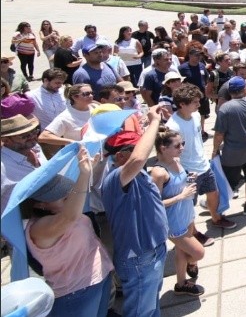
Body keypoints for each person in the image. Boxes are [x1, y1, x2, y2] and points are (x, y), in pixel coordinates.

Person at [21, 147, 114, 317]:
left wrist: (89, 170)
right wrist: (84, 174)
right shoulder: (40, 228)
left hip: (98, 280)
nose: (70, 196)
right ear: (40, 204)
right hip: (76, 293)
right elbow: (71, 217)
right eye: (64, 196)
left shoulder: (62, 211)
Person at [100, 106, 168, 317]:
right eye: (137, 146)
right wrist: (154, 122)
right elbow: (137, 159)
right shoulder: (115, 178)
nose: (145, 150)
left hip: (154, 249)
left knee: (150, 305)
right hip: (139, 257)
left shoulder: (139, 174)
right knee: (141, 311)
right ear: (120, 156)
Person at [166, 83, 236, 231]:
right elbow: (171, 154)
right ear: (182, 104)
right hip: (188, 171)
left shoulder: (196, 116)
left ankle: (216, 219)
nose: (199, 104)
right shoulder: (173, 126)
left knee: (214, 193)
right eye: (195, 102)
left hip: (204, 164)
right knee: (189, 204)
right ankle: (193, 232)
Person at [150, 130, 205, 296]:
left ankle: (181, 283)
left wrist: (189, 178)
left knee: (181, 251)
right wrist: (181, 196)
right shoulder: (159, 173)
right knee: (198, 252)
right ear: (163, 148)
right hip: (173, 223)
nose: (181, 148)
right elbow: (154, 204)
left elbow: (178, 184)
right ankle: (192, 263)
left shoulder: (176, 160)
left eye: (183, 144)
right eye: (177, 145)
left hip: (186, 215)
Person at [212, 76, 246, 216]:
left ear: (229, 91)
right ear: (244, 89)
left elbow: (219, 134)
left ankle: (220, 210)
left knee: (226, 183)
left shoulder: (225, 108)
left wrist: (215, 150)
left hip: (232, 153)